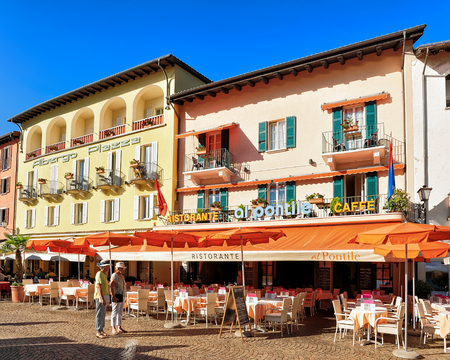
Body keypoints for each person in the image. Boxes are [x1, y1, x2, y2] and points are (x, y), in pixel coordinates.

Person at [94, 260, 110, 339]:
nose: (109, 267)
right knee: (99, 314)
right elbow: (98, 286)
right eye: (108, 266)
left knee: (103, 314)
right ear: (104, 267)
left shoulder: (104, 274)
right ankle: (98, 331)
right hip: (100, 297)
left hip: (104, 296)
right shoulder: (99, 274)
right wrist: (102, 298)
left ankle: (101, 329)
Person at [110, 262, 127, 335]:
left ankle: (119, 327)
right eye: (123, 269)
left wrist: (124, 296)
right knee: (115, 312)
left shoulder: (122, 276)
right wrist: (113, 296)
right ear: (119, 269)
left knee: (120, 312)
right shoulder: (114, 276)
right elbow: (111, 286)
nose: (124, 270)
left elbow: (123, 286)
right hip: (117, 295)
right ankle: (113, 327)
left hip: (122, 295)